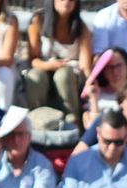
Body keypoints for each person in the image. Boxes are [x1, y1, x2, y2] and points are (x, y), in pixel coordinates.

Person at [25, 0, 91, 129]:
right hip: (43, 68)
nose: (66, 2)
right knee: (35, 76)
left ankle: (73, 121)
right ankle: (36, 120)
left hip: (70, 76)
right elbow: (32, 59)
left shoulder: (81, 27)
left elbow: (85, 65)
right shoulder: (38, 21)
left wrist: (90, 86)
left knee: (63, 75)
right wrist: (50, 66)